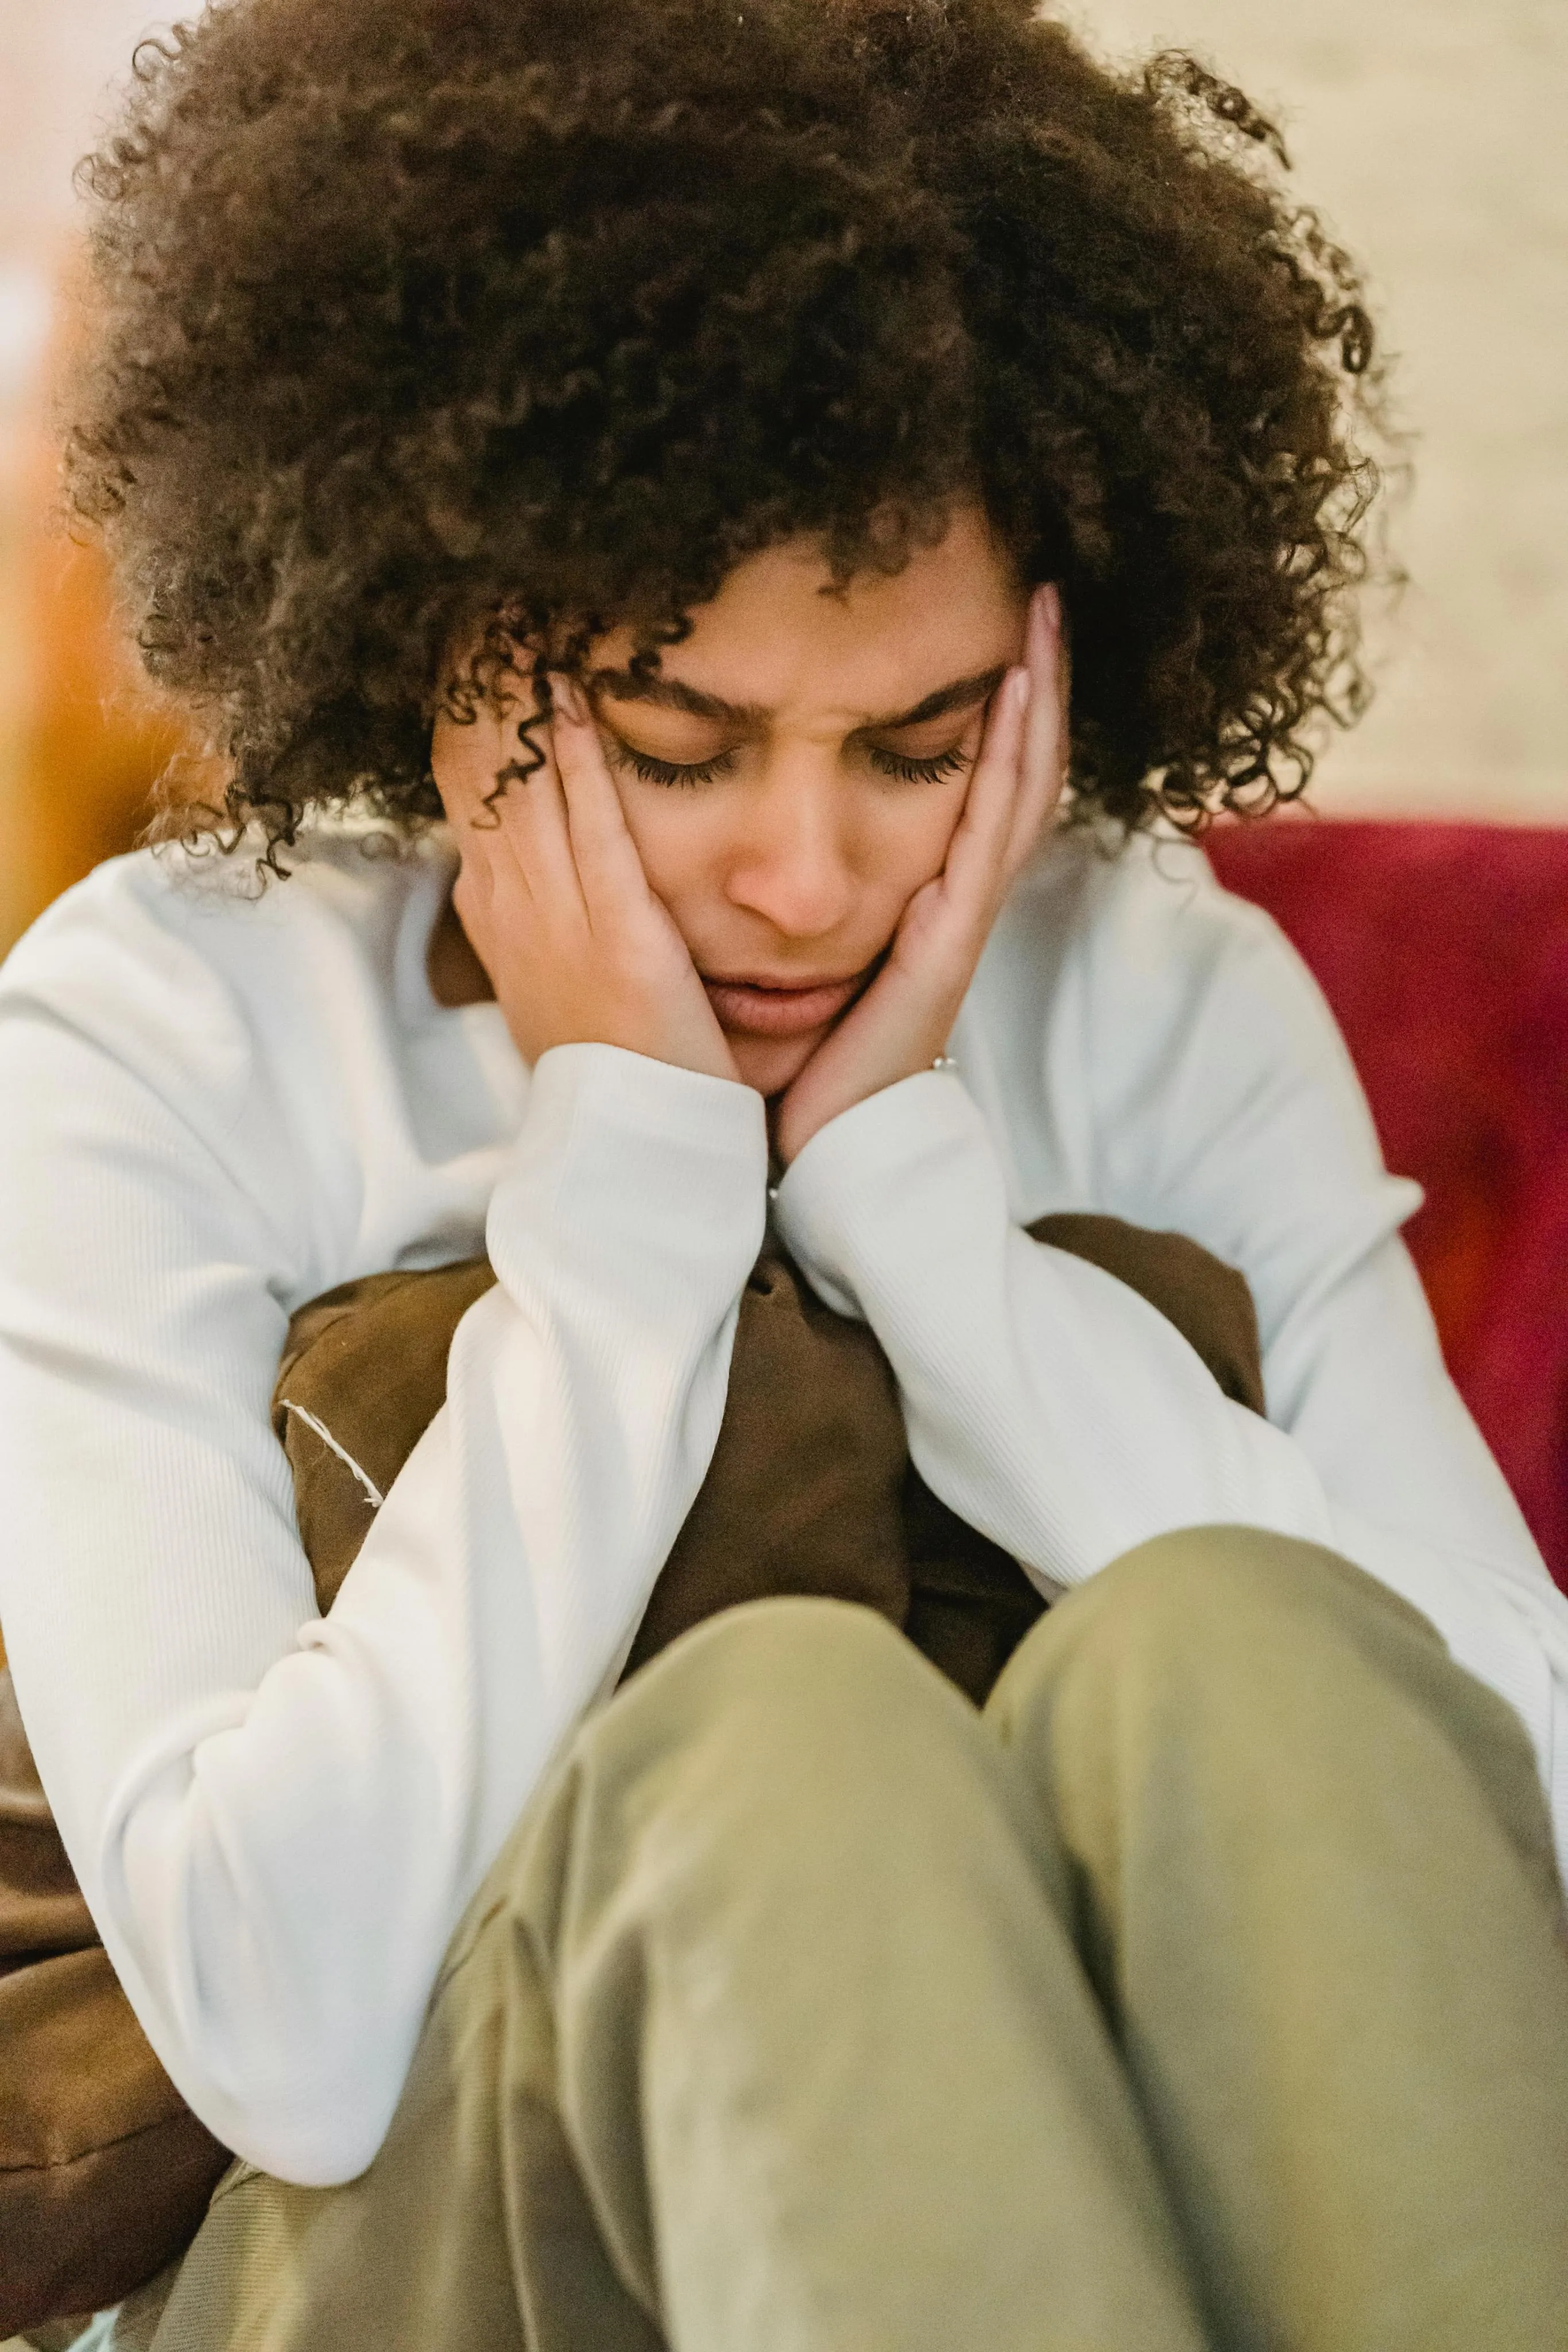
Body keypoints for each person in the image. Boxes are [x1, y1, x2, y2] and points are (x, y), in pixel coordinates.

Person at [3, 0, 1567, 2344]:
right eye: (678, 743)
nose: (811, 877)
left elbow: (1501, 1822)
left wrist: (914, 1213)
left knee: (1241, 1638)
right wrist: (631, 1188)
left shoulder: (1143, 982)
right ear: (451, 640)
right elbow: (283, 2022)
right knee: (778, 1742)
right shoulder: (163, 1021)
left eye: (921, 747)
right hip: (393, 2256)